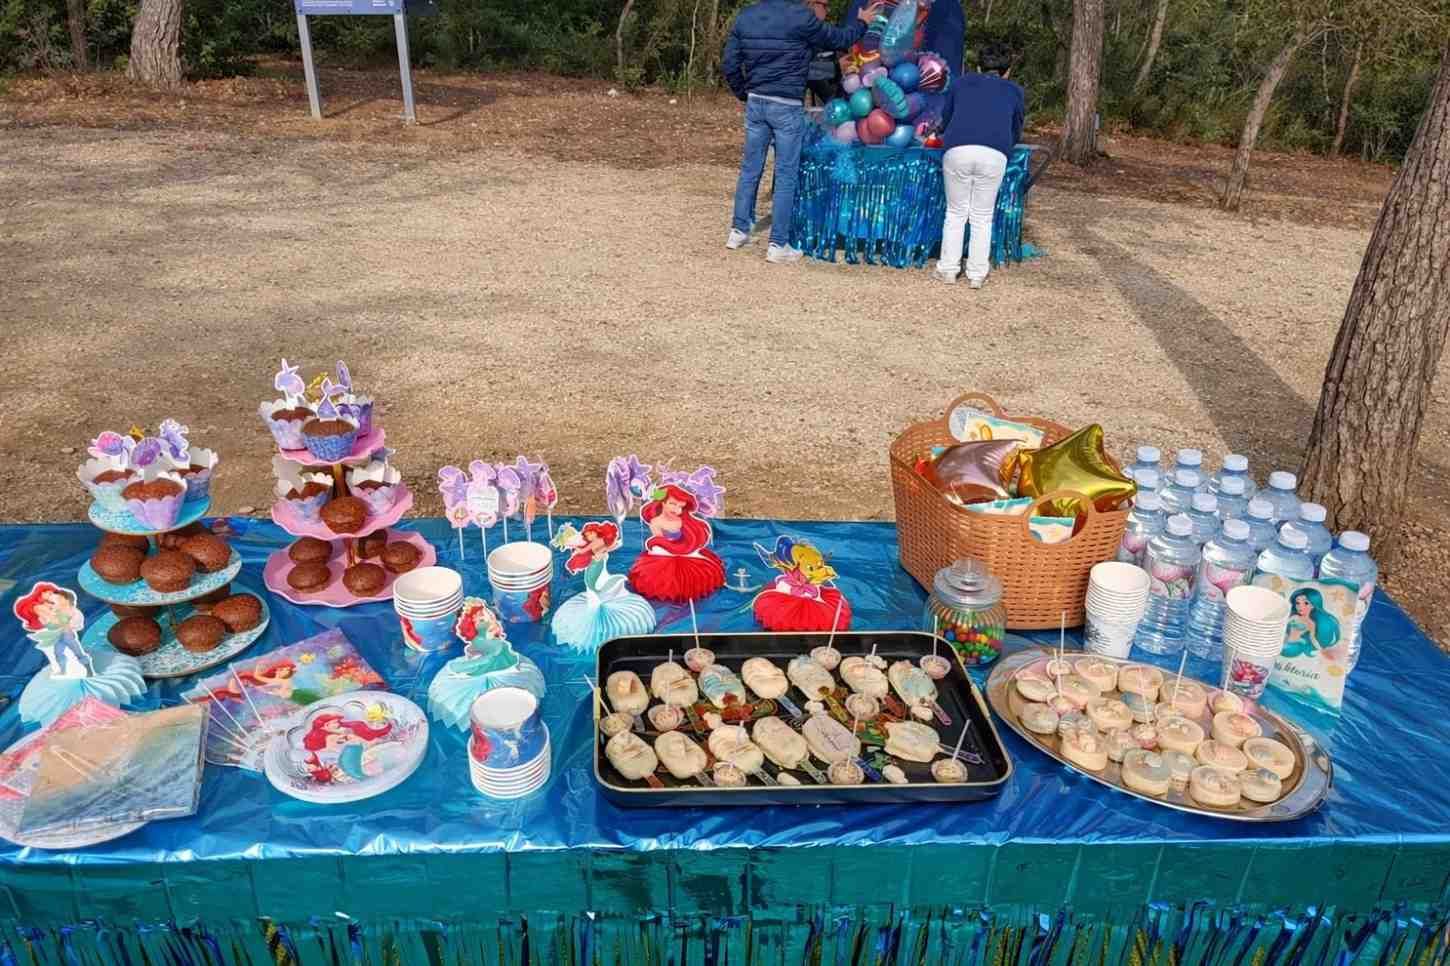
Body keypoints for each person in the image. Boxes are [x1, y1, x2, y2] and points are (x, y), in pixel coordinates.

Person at [724, 0, 881, 263]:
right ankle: (778, 244)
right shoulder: (800, 17)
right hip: (786, 104)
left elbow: (730, 63)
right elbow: (839, 38)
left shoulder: (746, 16)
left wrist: (744, 92)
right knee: (786, 174)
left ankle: (738, 230)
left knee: (750, 168)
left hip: (756, 101)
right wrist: (863, 21)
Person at [933, 43, 1025, 288]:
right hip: (995, 153)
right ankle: (976, 274)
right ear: (1008, 71)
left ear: (976, 66)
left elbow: (946, 119)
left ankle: (948, 270)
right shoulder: (1014, 91)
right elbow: (1016, 128)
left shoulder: (960, 83)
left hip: (957, 150)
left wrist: (937, 132)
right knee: (982, 216)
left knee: (955, 213)